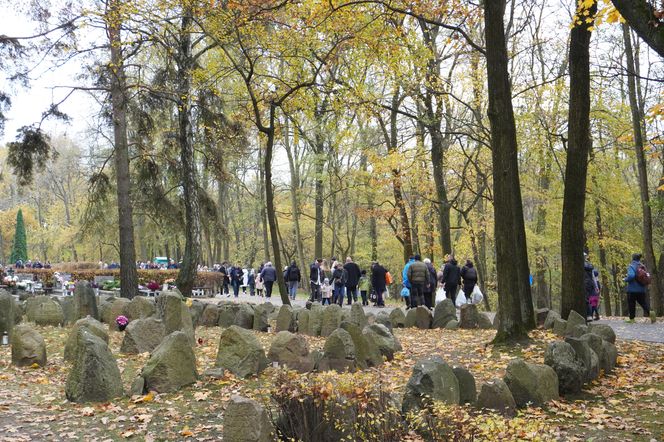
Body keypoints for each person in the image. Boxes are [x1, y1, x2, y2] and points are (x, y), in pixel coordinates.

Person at [624, 253, 651, 323]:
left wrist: (625, 279)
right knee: (643, 303)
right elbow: (647, 276)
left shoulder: (631, 266)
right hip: (642, 289)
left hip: (632, 290)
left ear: (633, 258)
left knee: (631, 304)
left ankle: (632, 319)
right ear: (639, 259)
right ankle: (651, 314)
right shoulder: (643, 266)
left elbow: (631, 276)